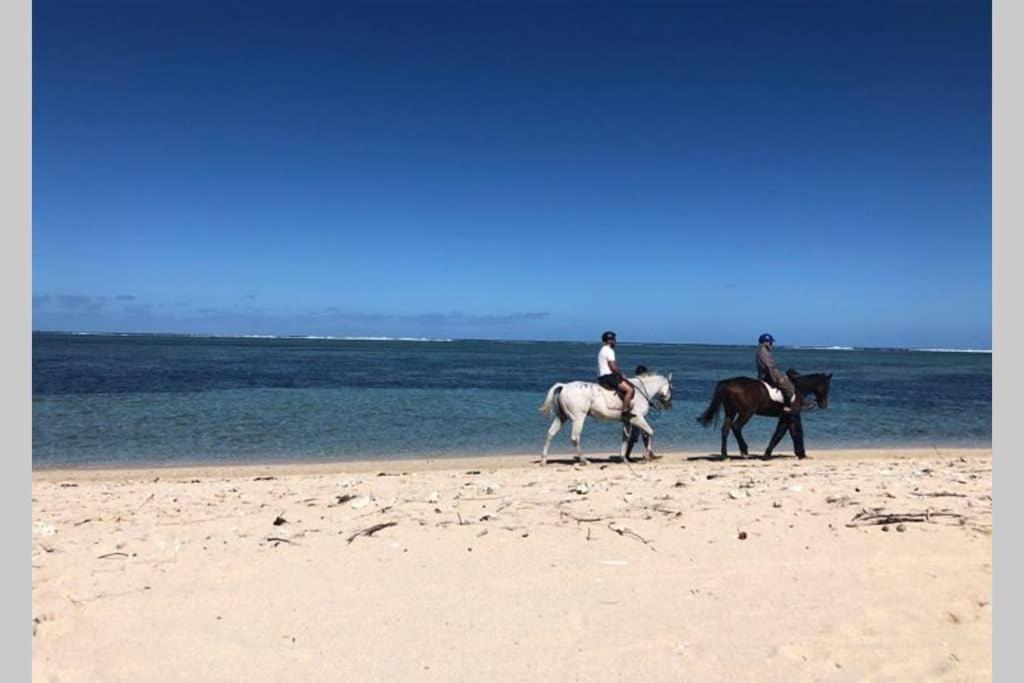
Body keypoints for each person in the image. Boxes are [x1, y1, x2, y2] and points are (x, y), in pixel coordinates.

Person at [597, 331, 634, 421]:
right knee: (630, 389)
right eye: (613, 339)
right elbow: (613, 367)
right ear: (609, 341)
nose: (615, 341)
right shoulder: (609, 351)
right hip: (608, 377)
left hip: (602, 376)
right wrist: (621, 375)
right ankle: (625, 413)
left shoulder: (602, 350)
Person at [756, 333, 796, 413]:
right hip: (768, 374)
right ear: (765, 342)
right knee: (788, 386)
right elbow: (769, 367)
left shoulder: (763, 350)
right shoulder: (763, 351)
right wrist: (776, 380)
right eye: (770, 342)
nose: (772, 344)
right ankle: (787, 406)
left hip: (769, 373)